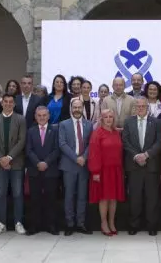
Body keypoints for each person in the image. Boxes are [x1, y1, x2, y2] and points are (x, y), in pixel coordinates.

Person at [122, 97, 161, 236]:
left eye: (143, 106)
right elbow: (125, 141)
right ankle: (134, 225)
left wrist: (146, 155)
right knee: (135, 197)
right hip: (134, 166)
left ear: (147, 107)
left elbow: (159, 142)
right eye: (138, 106)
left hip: (151, 165)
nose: (140, 108)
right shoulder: (128, 122)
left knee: (152, 198)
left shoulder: (156, 122)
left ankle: (152, 225)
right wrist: (136, 156)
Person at [0, 94, 27, 235]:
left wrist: (9, 157)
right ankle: (2, 223)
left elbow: (22, 140)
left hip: (16, 163)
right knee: (0, 194)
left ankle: (18, 222)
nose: (8, 104)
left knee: (17, 193)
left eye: (11, 102)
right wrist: (1, 159)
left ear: (14, 104)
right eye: (6, 102)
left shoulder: (21, 119)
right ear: (2, 103)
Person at [59, 99, 94, 236]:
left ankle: (80, 223)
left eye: (79, 107)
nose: (77, 109)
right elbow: (62, 144)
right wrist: (76, 158)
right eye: (75, 107)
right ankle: (70, 224)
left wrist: (84, 157)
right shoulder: (63, 124)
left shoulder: (89, 124)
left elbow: (91, 144)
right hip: (69, 165)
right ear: (71, 108)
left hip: (83, 166)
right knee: (69, 196)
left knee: (82, 196)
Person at [89, 109, 125, 236]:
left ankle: (111, 222)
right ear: (101, 119)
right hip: (103, 170)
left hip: (115, 170)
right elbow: (94, 154)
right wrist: (96, 172)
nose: (109, 119)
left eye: (111, 116)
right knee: (104, 198)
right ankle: (103, 223)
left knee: (113, 198)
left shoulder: (116, 132)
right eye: (106, 117)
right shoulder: (97, 133)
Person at [25, 106, 60, 236]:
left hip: (50, 170)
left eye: (44, 115)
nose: (42, 118)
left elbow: (57, 149)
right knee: (35, 199)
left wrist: (46, 162)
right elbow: (28, 150)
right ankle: (34, 225)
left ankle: (51, 225)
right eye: (39, 115)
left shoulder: (55, 130)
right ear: (35, 117)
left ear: (49, 116)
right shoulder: (30, 131)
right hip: (35, 169)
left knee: (51, 199)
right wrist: (38, 163)